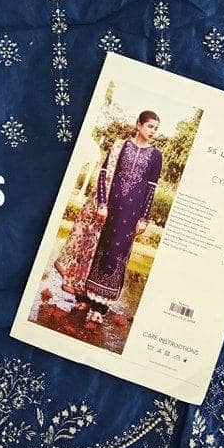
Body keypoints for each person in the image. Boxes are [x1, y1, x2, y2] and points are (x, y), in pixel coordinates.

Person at [84, 110, 163, 325]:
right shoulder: (121, 147)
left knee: (118, 253)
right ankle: (89, 299)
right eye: (150, 126)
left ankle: (102, 307)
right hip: (110, 208)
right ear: (138, 125)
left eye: (156, 128)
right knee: (100, 248)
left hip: (131, 213)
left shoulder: (156, 156)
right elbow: (103, 174)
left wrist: (144, 218)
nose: (153, 131)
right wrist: (102, 204)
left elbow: (151, 189)